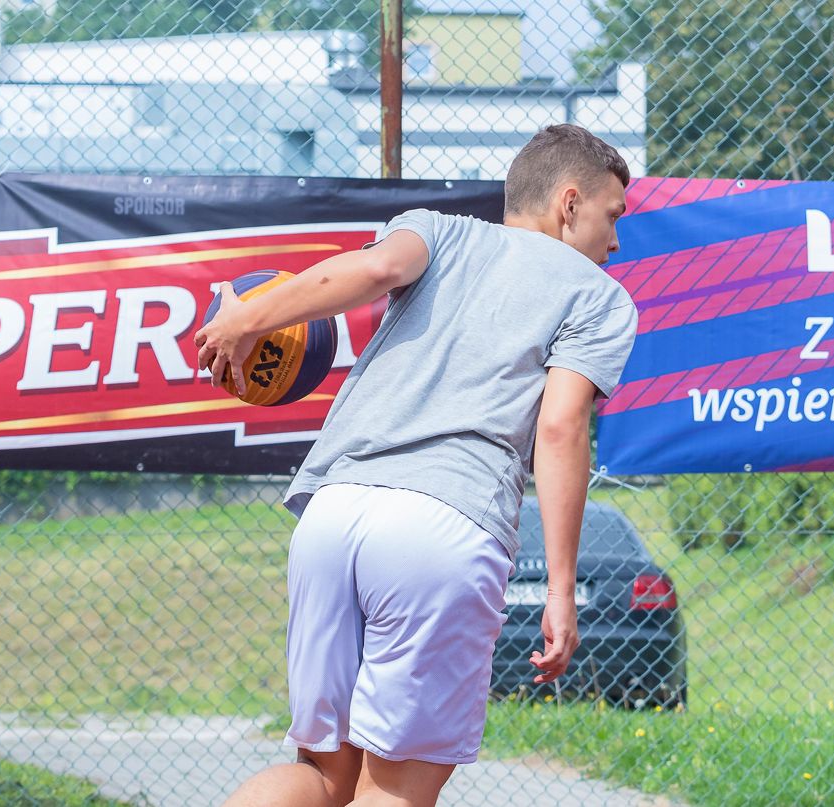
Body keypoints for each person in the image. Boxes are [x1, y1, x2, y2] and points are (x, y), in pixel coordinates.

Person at [195, 123, 638, 807]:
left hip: (333, 514)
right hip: (443, 526)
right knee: (395, 786)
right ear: (569, 203)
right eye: (613, 216)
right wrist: (559, 588)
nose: (616, 242)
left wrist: (245, 318)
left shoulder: (436, 229)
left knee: (323, 774)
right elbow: (558, 429)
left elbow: (371, 272)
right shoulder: (599, 297)